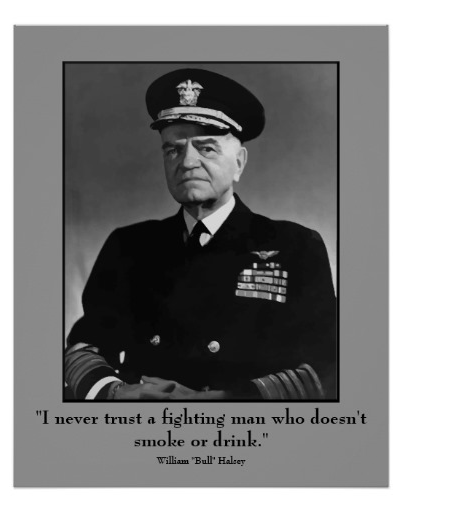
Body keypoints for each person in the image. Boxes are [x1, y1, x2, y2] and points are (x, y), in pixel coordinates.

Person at [65, 68, 336, 400]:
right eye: (173, 150)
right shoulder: (129, 246)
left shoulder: (296, 247)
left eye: (206, 148)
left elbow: (325, 366)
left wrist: (220, 401)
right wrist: (117, 393)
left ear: (239, 163)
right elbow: (84, 347)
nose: (187, 162)